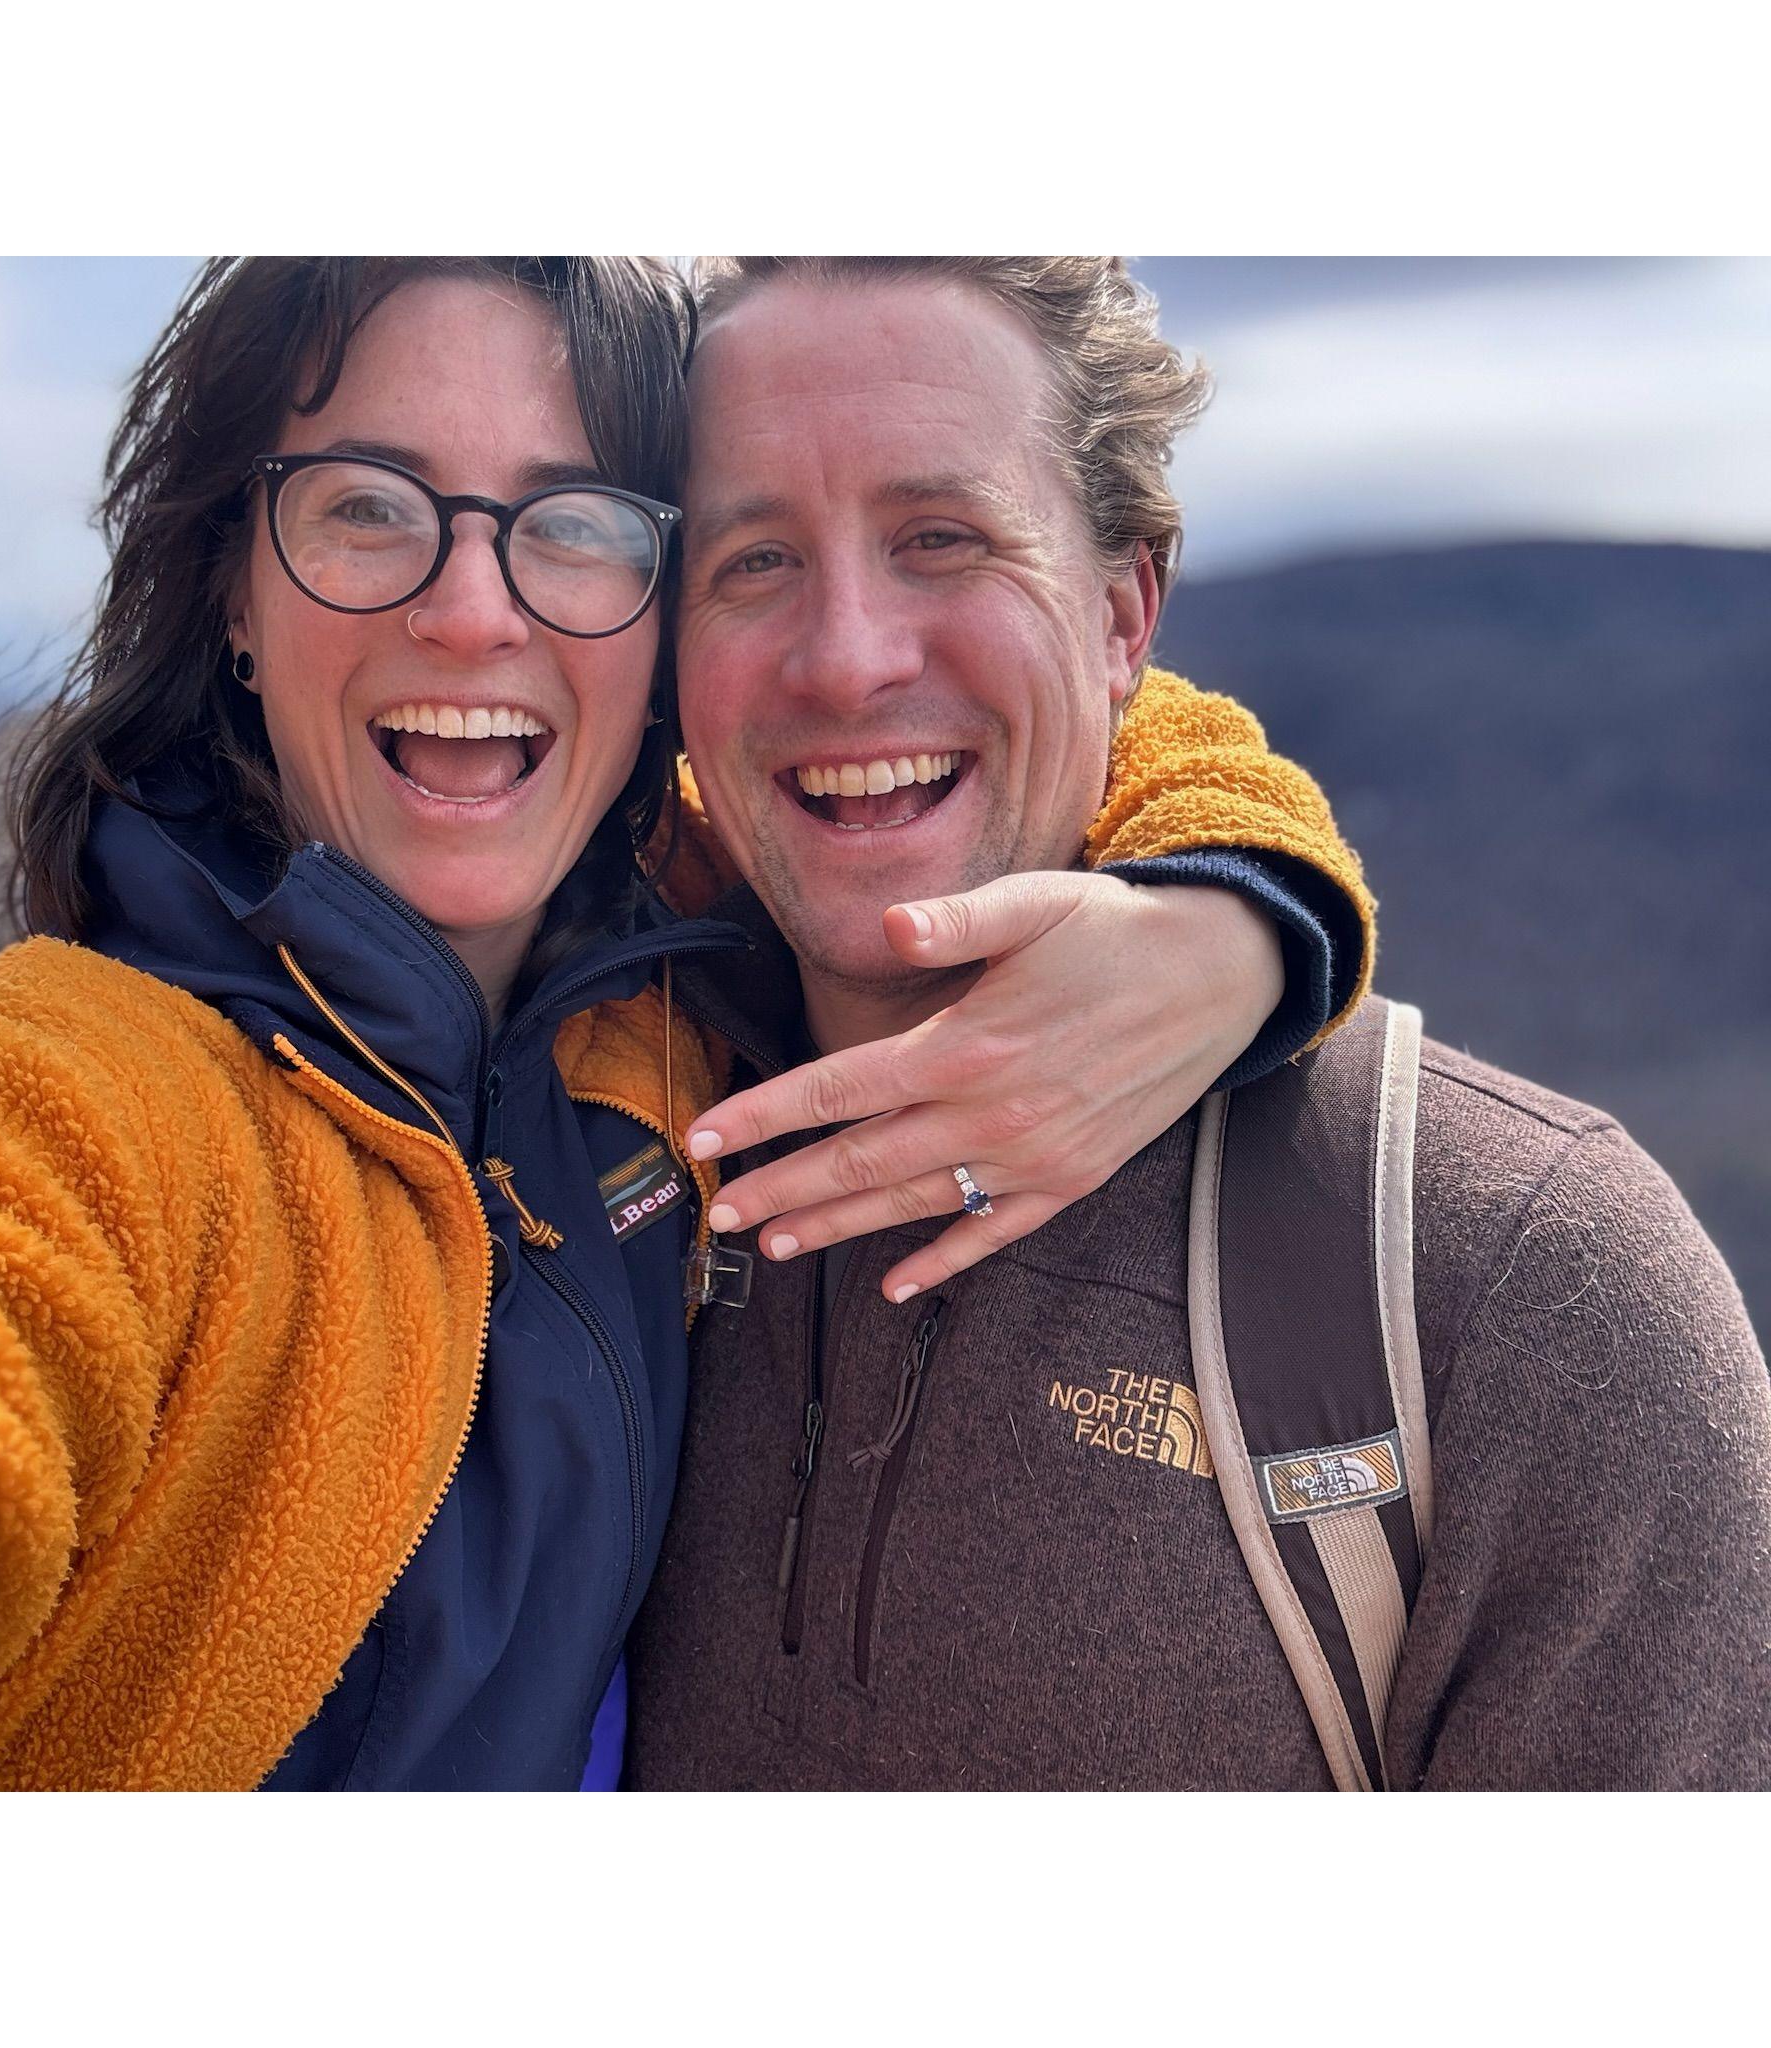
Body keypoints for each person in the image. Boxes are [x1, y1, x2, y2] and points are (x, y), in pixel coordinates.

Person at [0, 257, 1371, 1792]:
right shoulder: (90, 1109)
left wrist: (1223, 914)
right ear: (232, 585)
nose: (472, 611)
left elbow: (1059, 687)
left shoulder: (667, 988)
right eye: (369, 508)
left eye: (570, 526)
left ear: (658, 627)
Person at [623, 256, 1771, 1791]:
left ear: (1123, 610)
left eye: (942, 540)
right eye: (751, 561)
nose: (847, 657)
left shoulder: (1522, 1287)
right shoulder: (590, 1146)